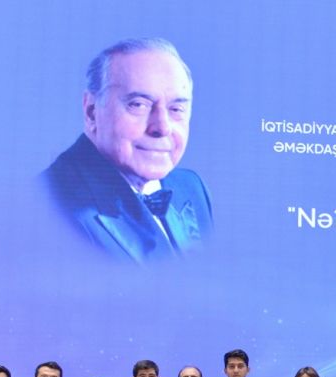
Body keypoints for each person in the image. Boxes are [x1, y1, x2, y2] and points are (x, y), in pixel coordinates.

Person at [42, 37, 212, 263]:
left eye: (176, 109)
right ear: (92, 112)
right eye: (138, 104)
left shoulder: (191, 186)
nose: (162, 127)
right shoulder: (48, 205)